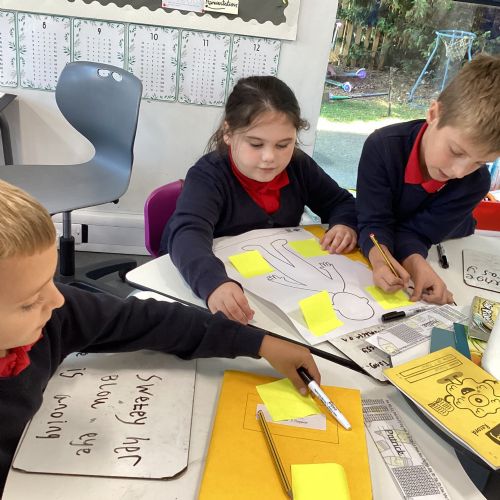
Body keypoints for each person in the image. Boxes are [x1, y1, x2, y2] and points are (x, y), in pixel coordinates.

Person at [0, 179, 321, 495]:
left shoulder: (53, 318)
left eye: (52, 280)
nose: (57, 300)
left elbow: (143, 320)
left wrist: (258, 342)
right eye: (29, 302)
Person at [160, 76, 357, 324]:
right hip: (210, 281)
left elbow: (340, 202)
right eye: (256, 144)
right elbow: (188, 234)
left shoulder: (299, 166)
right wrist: (213, 283)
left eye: (283, 145)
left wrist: (344, 224)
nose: (269, 157)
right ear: (228, 133)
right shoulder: (208, 175)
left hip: (272, 283)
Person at [356, 54, 500, 305]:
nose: (459, 172)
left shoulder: (475, 183)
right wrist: (380, 259)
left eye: (479, 162)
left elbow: (420, 233)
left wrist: (415, 261)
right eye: (456, 151)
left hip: (453, 240)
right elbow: (374, 221)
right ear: (434, 114)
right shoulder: (382, 148)